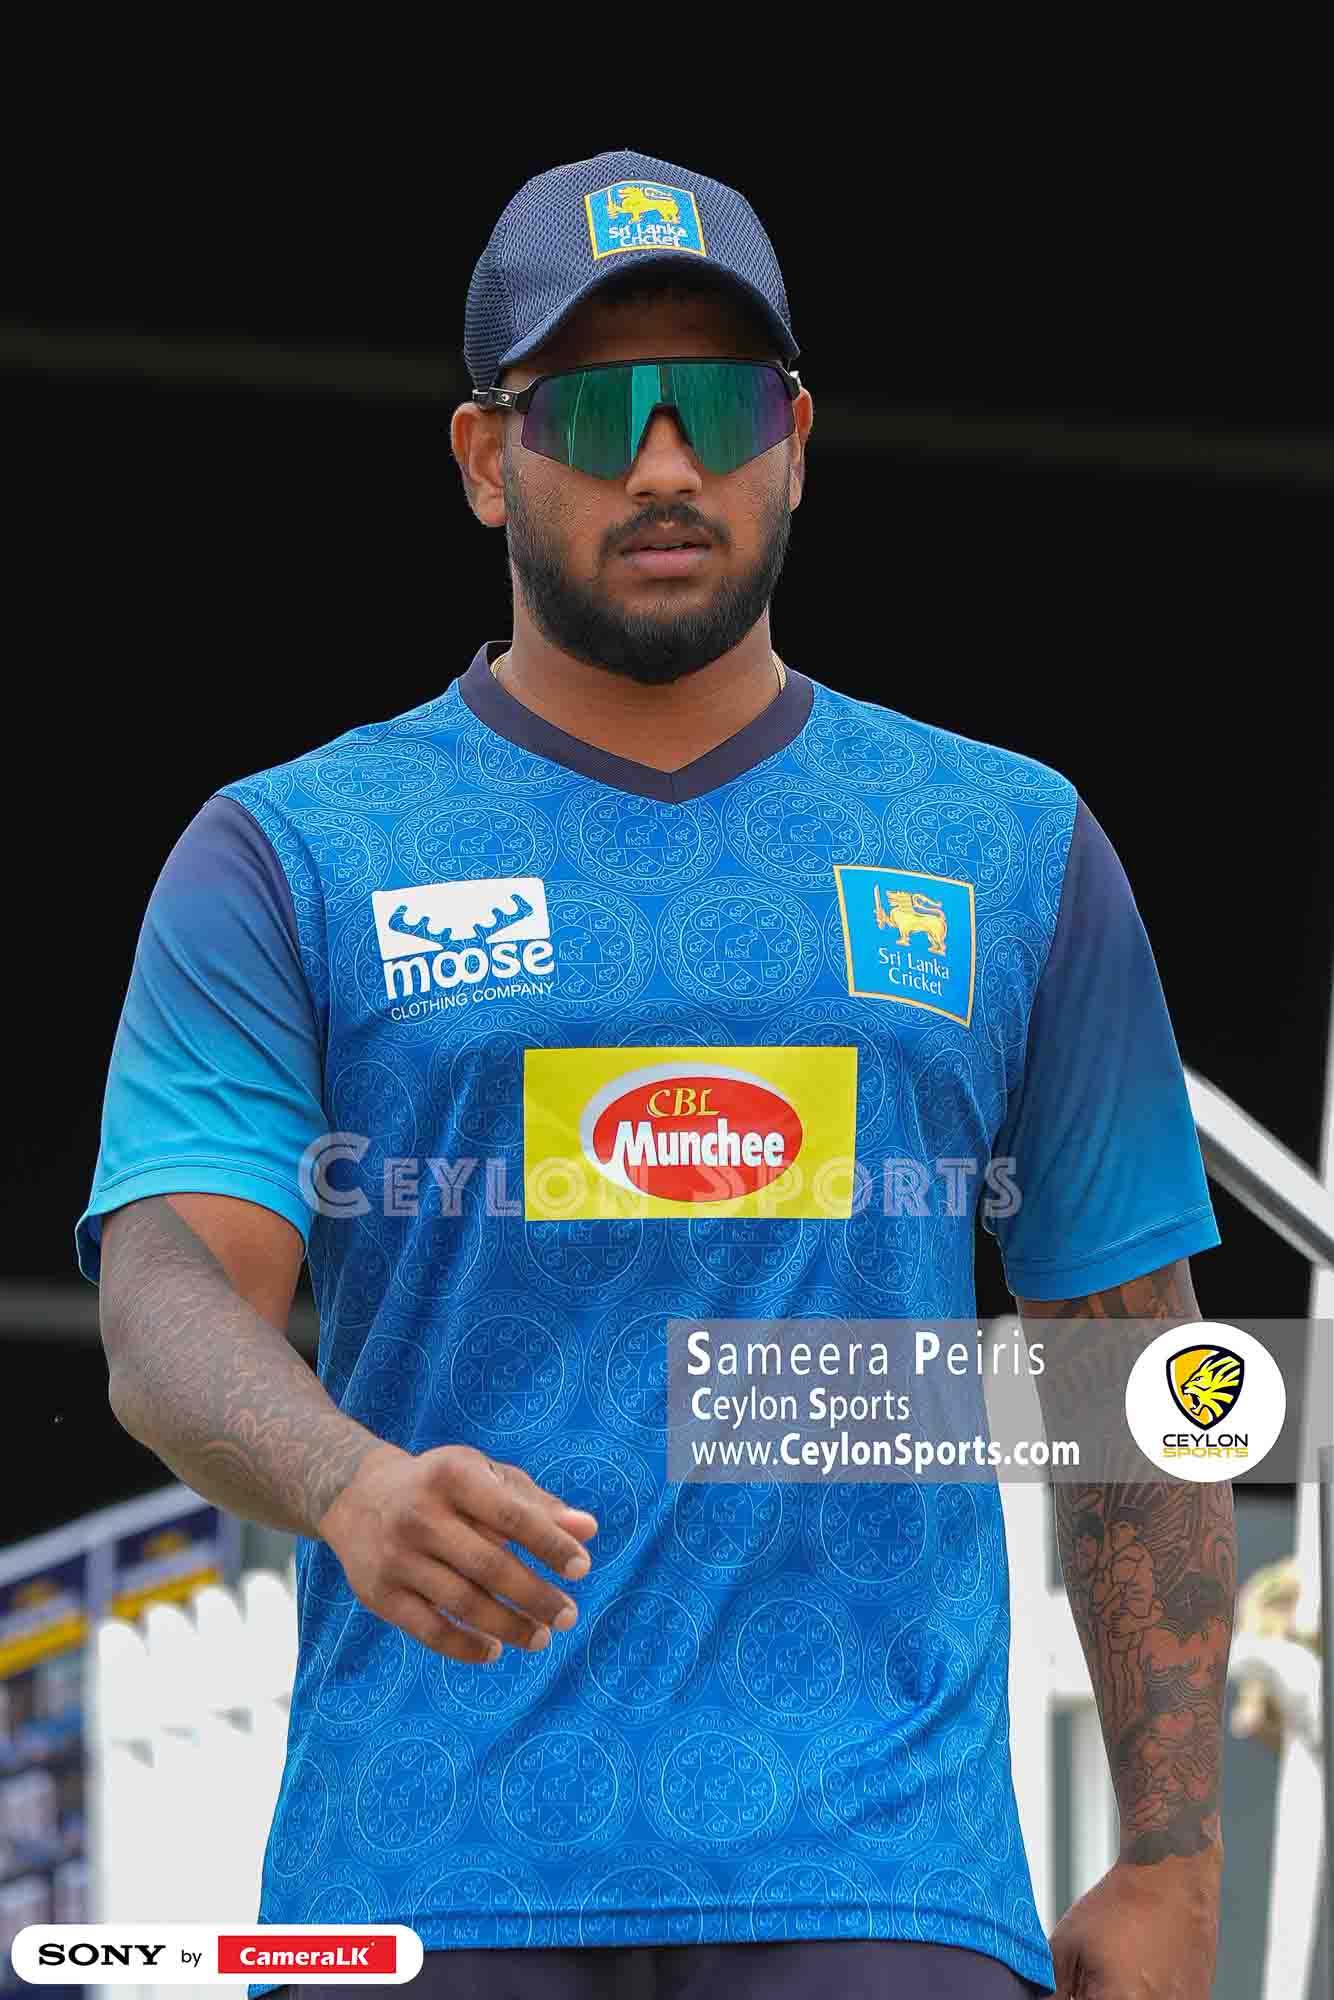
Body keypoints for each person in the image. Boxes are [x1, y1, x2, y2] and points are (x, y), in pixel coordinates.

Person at [77, 149, 1231, 2000]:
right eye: (602, 412)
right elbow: (163, 1303)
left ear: (797, 442)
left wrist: (1171, 1859)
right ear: (486, 459)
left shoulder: (1012, 845)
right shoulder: (290, 850)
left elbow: (1138, 1364)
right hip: (421, 1875)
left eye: (723, 404)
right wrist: (344, 1478)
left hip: (878, 1883)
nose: (668, 463)